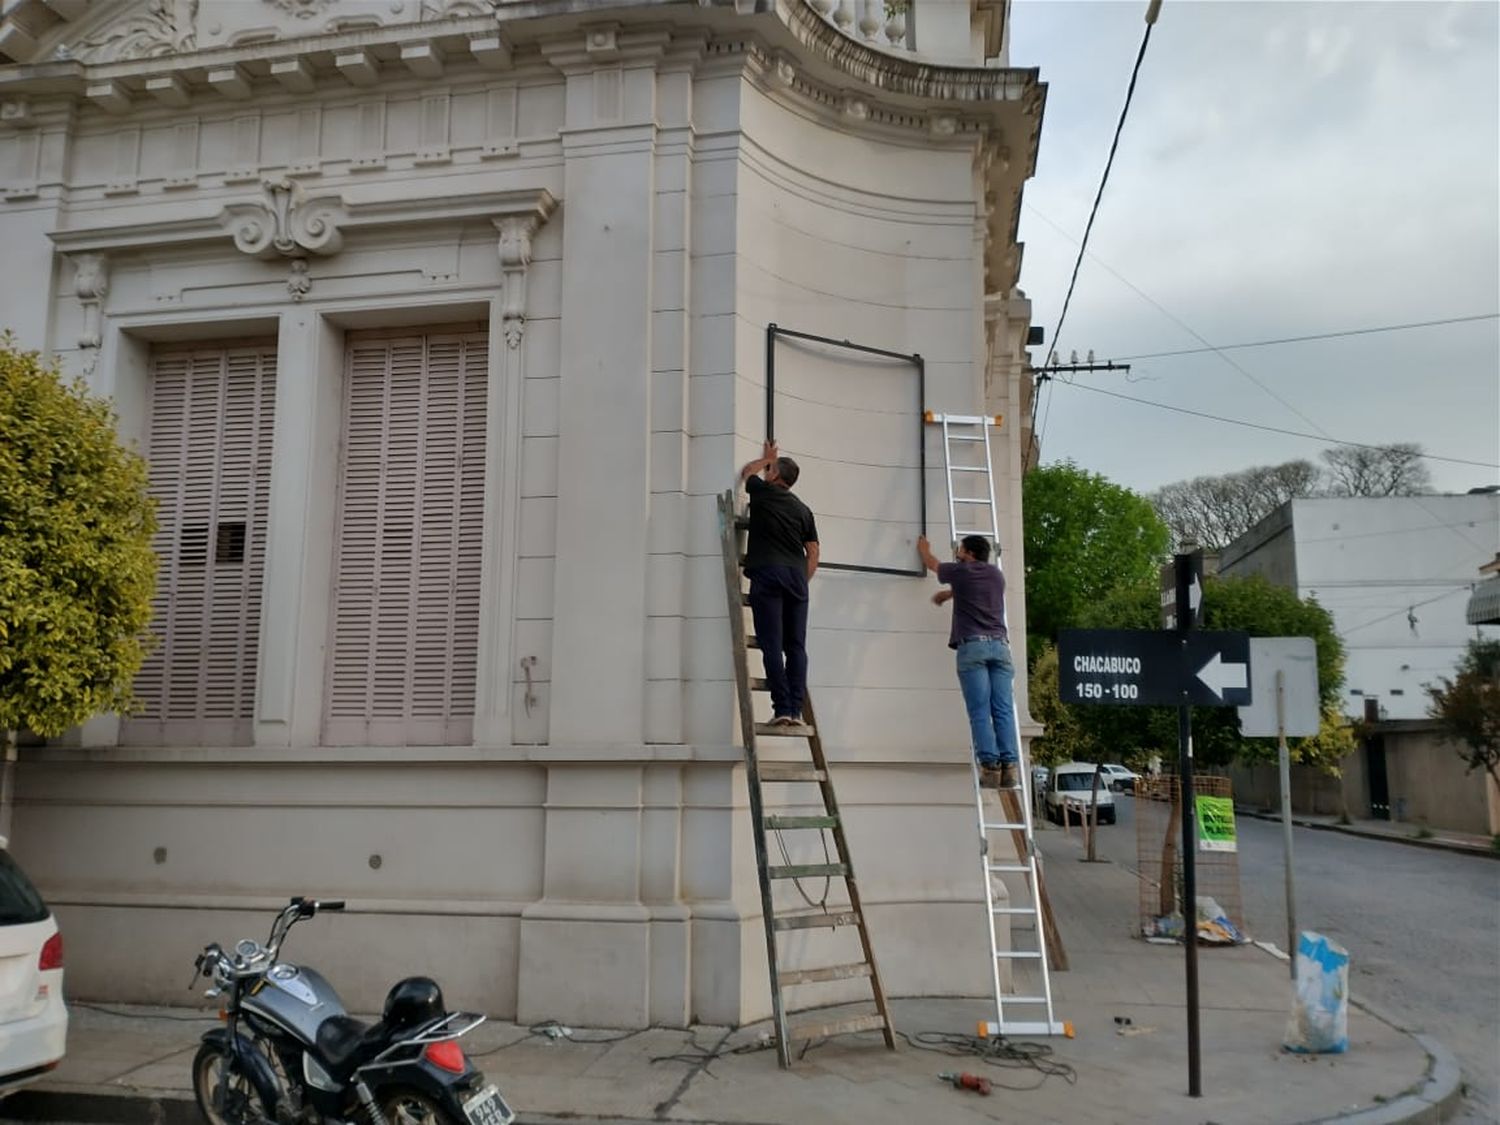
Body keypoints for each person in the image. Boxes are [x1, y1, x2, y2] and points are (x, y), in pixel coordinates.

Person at [917, 533, 1019, 789]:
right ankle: (1010, 768)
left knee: (980, 711)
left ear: (969, 554)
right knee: (1003, 709)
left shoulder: (960, 571)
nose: (958, 553)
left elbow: (933, 564)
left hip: (973, 648)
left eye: (961, 549)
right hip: (1000, 648)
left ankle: (990, 768)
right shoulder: (997, 575)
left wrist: (924, 549)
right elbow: (974, 590)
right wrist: (950, 595)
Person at [739, 441, 820, 726]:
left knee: (771, 643)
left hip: (769, 574)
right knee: (796, 646)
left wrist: (765, 459)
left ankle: (783, 708)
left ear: (774, 476)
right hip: (797, 578)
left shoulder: (762, 493)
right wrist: (802, 581)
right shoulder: (804, 509)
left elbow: (747, 473)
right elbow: (813, 552)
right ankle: (796, 711)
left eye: (770, 471)